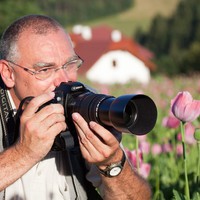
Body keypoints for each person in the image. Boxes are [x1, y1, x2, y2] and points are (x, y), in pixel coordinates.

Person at [0, 14, 151, 200]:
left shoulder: (87, 104)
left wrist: (112, 164)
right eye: (45, 70)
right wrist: (23, 153)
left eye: (70, 65)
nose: (64, 80)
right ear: (8, 73)